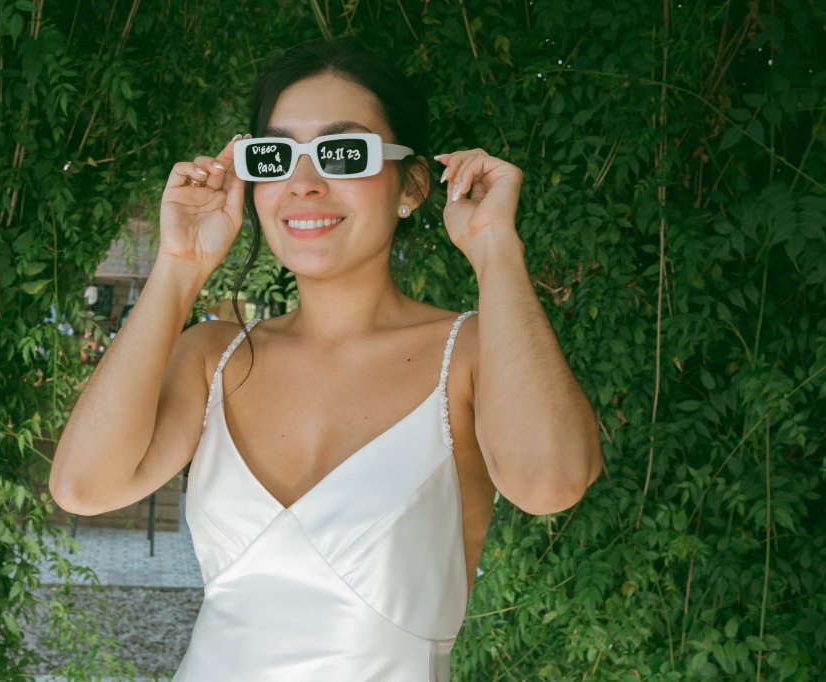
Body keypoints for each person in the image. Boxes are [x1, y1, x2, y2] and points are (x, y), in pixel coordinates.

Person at [50, 38, 603, 681]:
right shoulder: (213, 356)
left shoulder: (470, 354)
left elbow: (550, 482)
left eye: (344, 154)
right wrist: (179, 266)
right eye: (275, 156)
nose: (304, 183)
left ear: (411, 184)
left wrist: (496, 249)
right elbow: (83, 487)